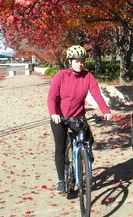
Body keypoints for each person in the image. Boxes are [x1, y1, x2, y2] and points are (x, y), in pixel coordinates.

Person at [47, 45, 112, 194]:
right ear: (70, 61)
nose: (80, 64)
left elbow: (97, 95)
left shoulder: (88, 76)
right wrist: (53, 113)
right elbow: (52, 97)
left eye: (82, 61)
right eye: (76, 61)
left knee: (89, 139)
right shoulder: (61, 76)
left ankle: (85, 154)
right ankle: (61, 181)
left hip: (78, 117)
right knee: (61, 148)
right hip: (60, 118)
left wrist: (106, 111)